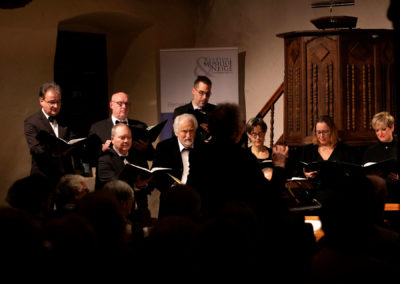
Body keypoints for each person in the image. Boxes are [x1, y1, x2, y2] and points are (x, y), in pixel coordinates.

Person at [95, 123, 153, 228]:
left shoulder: (138, 158)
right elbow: (115, 188)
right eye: (122, 138)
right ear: (112, 139)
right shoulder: (105, 160)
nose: (126, 141)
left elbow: (147, 188)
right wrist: (136, 186)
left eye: (129, 138)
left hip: (140, 211)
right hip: (115, 214)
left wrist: (142, 185)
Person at [24, 82, 76, 188]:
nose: (56, 106)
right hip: (43, 177)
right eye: (52, 102)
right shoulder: (32, 122)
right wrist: (56, 150)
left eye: (59, 102)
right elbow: (35, 149)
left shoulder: (66, 120)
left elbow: (73, 140)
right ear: (41, 101)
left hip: (66, 177)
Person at [87, 91, 155, 170]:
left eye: (127, 104)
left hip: (137, 176)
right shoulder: (97, 128)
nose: (124, 106)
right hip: (110, 175)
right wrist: (102, 150)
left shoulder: (140, 126)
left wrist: (145, 149)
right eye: (120, 103)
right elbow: (88, 158)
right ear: (111, 105)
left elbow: (151, 156)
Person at [151, 113, 199, 218]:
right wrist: (170, 188)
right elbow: (156, 175)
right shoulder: (164, 147)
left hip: (196, 203)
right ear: (176, 132)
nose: (188, 135)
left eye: (191, 131)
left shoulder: (203, 148)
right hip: (170, 202)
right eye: (184, 131)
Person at [301, 115, 357, 179]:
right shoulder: (308, 150)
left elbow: (353, 174)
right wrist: (306, 175)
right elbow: (301, 172)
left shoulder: (345, 150)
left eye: (325, 132)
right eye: (319, 132)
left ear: (332, 131)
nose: (322, 135)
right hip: (315, 187)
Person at [173, 75, 216, 142]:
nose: (205, 97)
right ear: (193, 91)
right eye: (201, 93)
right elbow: (175, 140)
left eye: (207, 93)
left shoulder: (216, 111)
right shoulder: (180, 112)